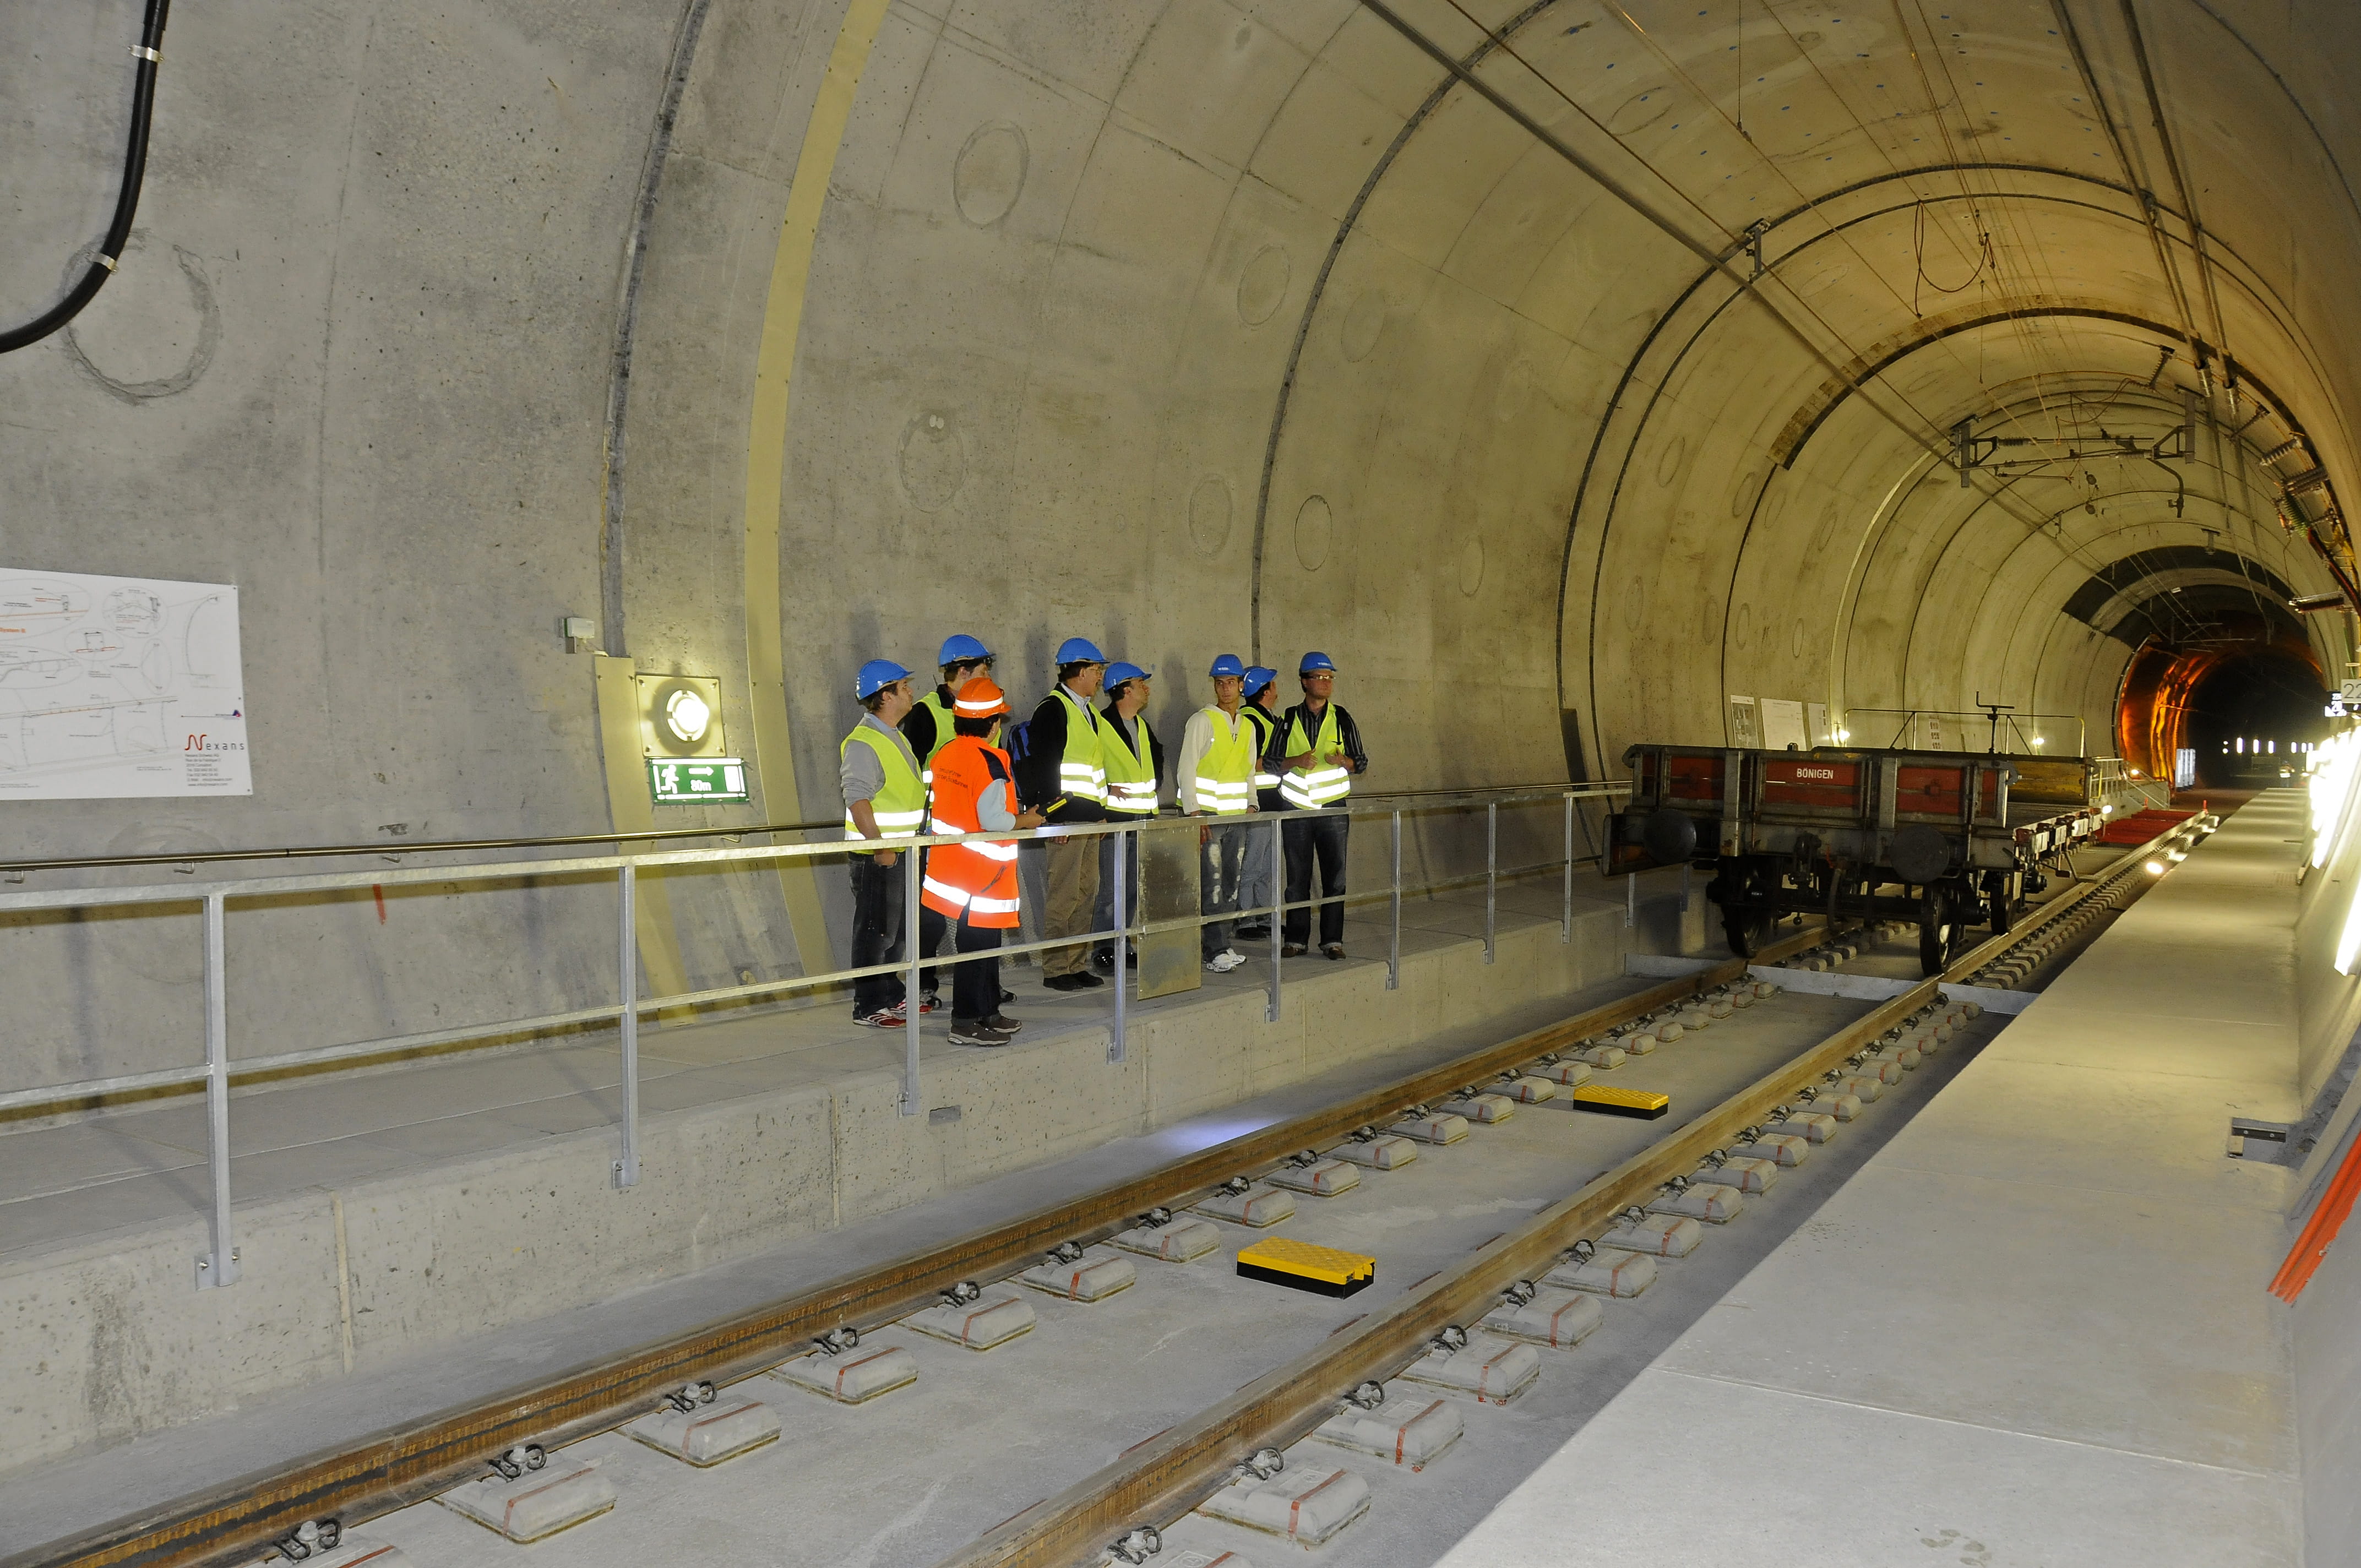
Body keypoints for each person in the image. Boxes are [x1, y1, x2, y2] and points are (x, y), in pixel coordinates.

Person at [921, 677, 1041, 1046]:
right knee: (978, 948)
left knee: (981, 945)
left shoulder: (946, 754)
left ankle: (989, 1011)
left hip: (952, 870)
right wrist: (1026, 821)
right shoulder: (992, 759)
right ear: (992, 724)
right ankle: (966, 1021)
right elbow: (993, 821)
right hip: (984, 875)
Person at [901, 633, 995, 1008]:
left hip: (979, 834)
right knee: (933, 917)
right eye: (983, 669)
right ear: (961, 671)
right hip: (936, 834)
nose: (988, 676)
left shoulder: (983, 711)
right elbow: (911, 772)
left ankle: (981, 986)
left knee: (980, 917)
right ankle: (923, 983)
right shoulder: (927, 712)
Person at [1014, 636, 1109, 990]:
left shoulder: (1088, 712)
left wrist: (1100, 814)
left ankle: (1076, 962)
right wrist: (1053, 820)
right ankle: (1056, 968)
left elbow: (1093, 769)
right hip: (1065, 819)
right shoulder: (1052, 708)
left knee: (1086, 892)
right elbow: (1045, 767)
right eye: (1096, 670)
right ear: (1080, 671)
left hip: (1087, 818)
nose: (1100, 677)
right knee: (1064, 895)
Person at [840, 658, 931, 1026]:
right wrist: (880, 847)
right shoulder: (864, 742)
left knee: (896, 933)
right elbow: (857, 797)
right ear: (886, 695)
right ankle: (868, 1005)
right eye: (904, 686)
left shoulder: (894, 734)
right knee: (875, 932)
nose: (911, 691)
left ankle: (891, 995)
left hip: (902, 851)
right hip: (879, 856)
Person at [1276, 651, 1368, 959]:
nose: (1326, 683)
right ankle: (1296, 940)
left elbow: (1362, 762)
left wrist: (1345, 761)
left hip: (1333, 811)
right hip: (1296, 810)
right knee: (1297, 879)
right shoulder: (1288, 718)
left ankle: (1332, 941)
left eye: (1330, 678)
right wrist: (1295, 761)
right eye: (1320, 677)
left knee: (1335, 879)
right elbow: (1272, 762)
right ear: (1304, 681)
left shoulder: (1342, 717)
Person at [1178, 654, 1259, 973]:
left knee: (1231, 883)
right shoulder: (1202, 720)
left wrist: (1252, 803)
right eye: (1219, 683)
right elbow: (1187, 767)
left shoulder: (1248, 725)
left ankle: (1222, 943)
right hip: (1209, 818)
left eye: (1230, 683)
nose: (1225, 689)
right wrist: (1193, 812)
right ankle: (1213, 950)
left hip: (1236, 817)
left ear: (1241, 686)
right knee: (1210, 885)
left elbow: (1249, 769)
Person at [1093, 661, 1165, 971]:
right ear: (1125, 689)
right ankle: (1104, 949)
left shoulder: (1142, 725)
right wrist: (1107, 794)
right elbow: (1089, 768)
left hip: (1142, 817)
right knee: (1111, 888)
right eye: (1141, 683)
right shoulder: (1101, 724)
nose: (1146, 688)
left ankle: (1124, 944)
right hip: (1115, 819)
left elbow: (1156, 762)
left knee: (1133, 886)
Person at [1236, 665, 1283, 941]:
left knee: (1267, 865)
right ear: (1266, 690)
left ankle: (1264, 915)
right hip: (1259, 802)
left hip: (1273, 801)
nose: (1276, 688)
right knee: (1252, 864)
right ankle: (1245, 919)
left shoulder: (1267, 718)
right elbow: (1248, 762)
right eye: (1273, 684)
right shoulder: (1251, 719)